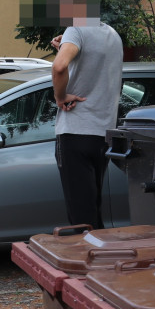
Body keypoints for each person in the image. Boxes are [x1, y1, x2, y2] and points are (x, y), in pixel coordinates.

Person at [51, 21, 123, 230]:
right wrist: (64, 45)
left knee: (81, 218)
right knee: (92, 209)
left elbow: (59, 67)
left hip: (75, 130)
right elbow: (91, 64)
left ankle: (88, 258)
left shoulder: (76, 30)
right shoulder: (112, 34)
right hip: (102, 133)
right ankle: (98, 257)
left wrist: (60, 96)